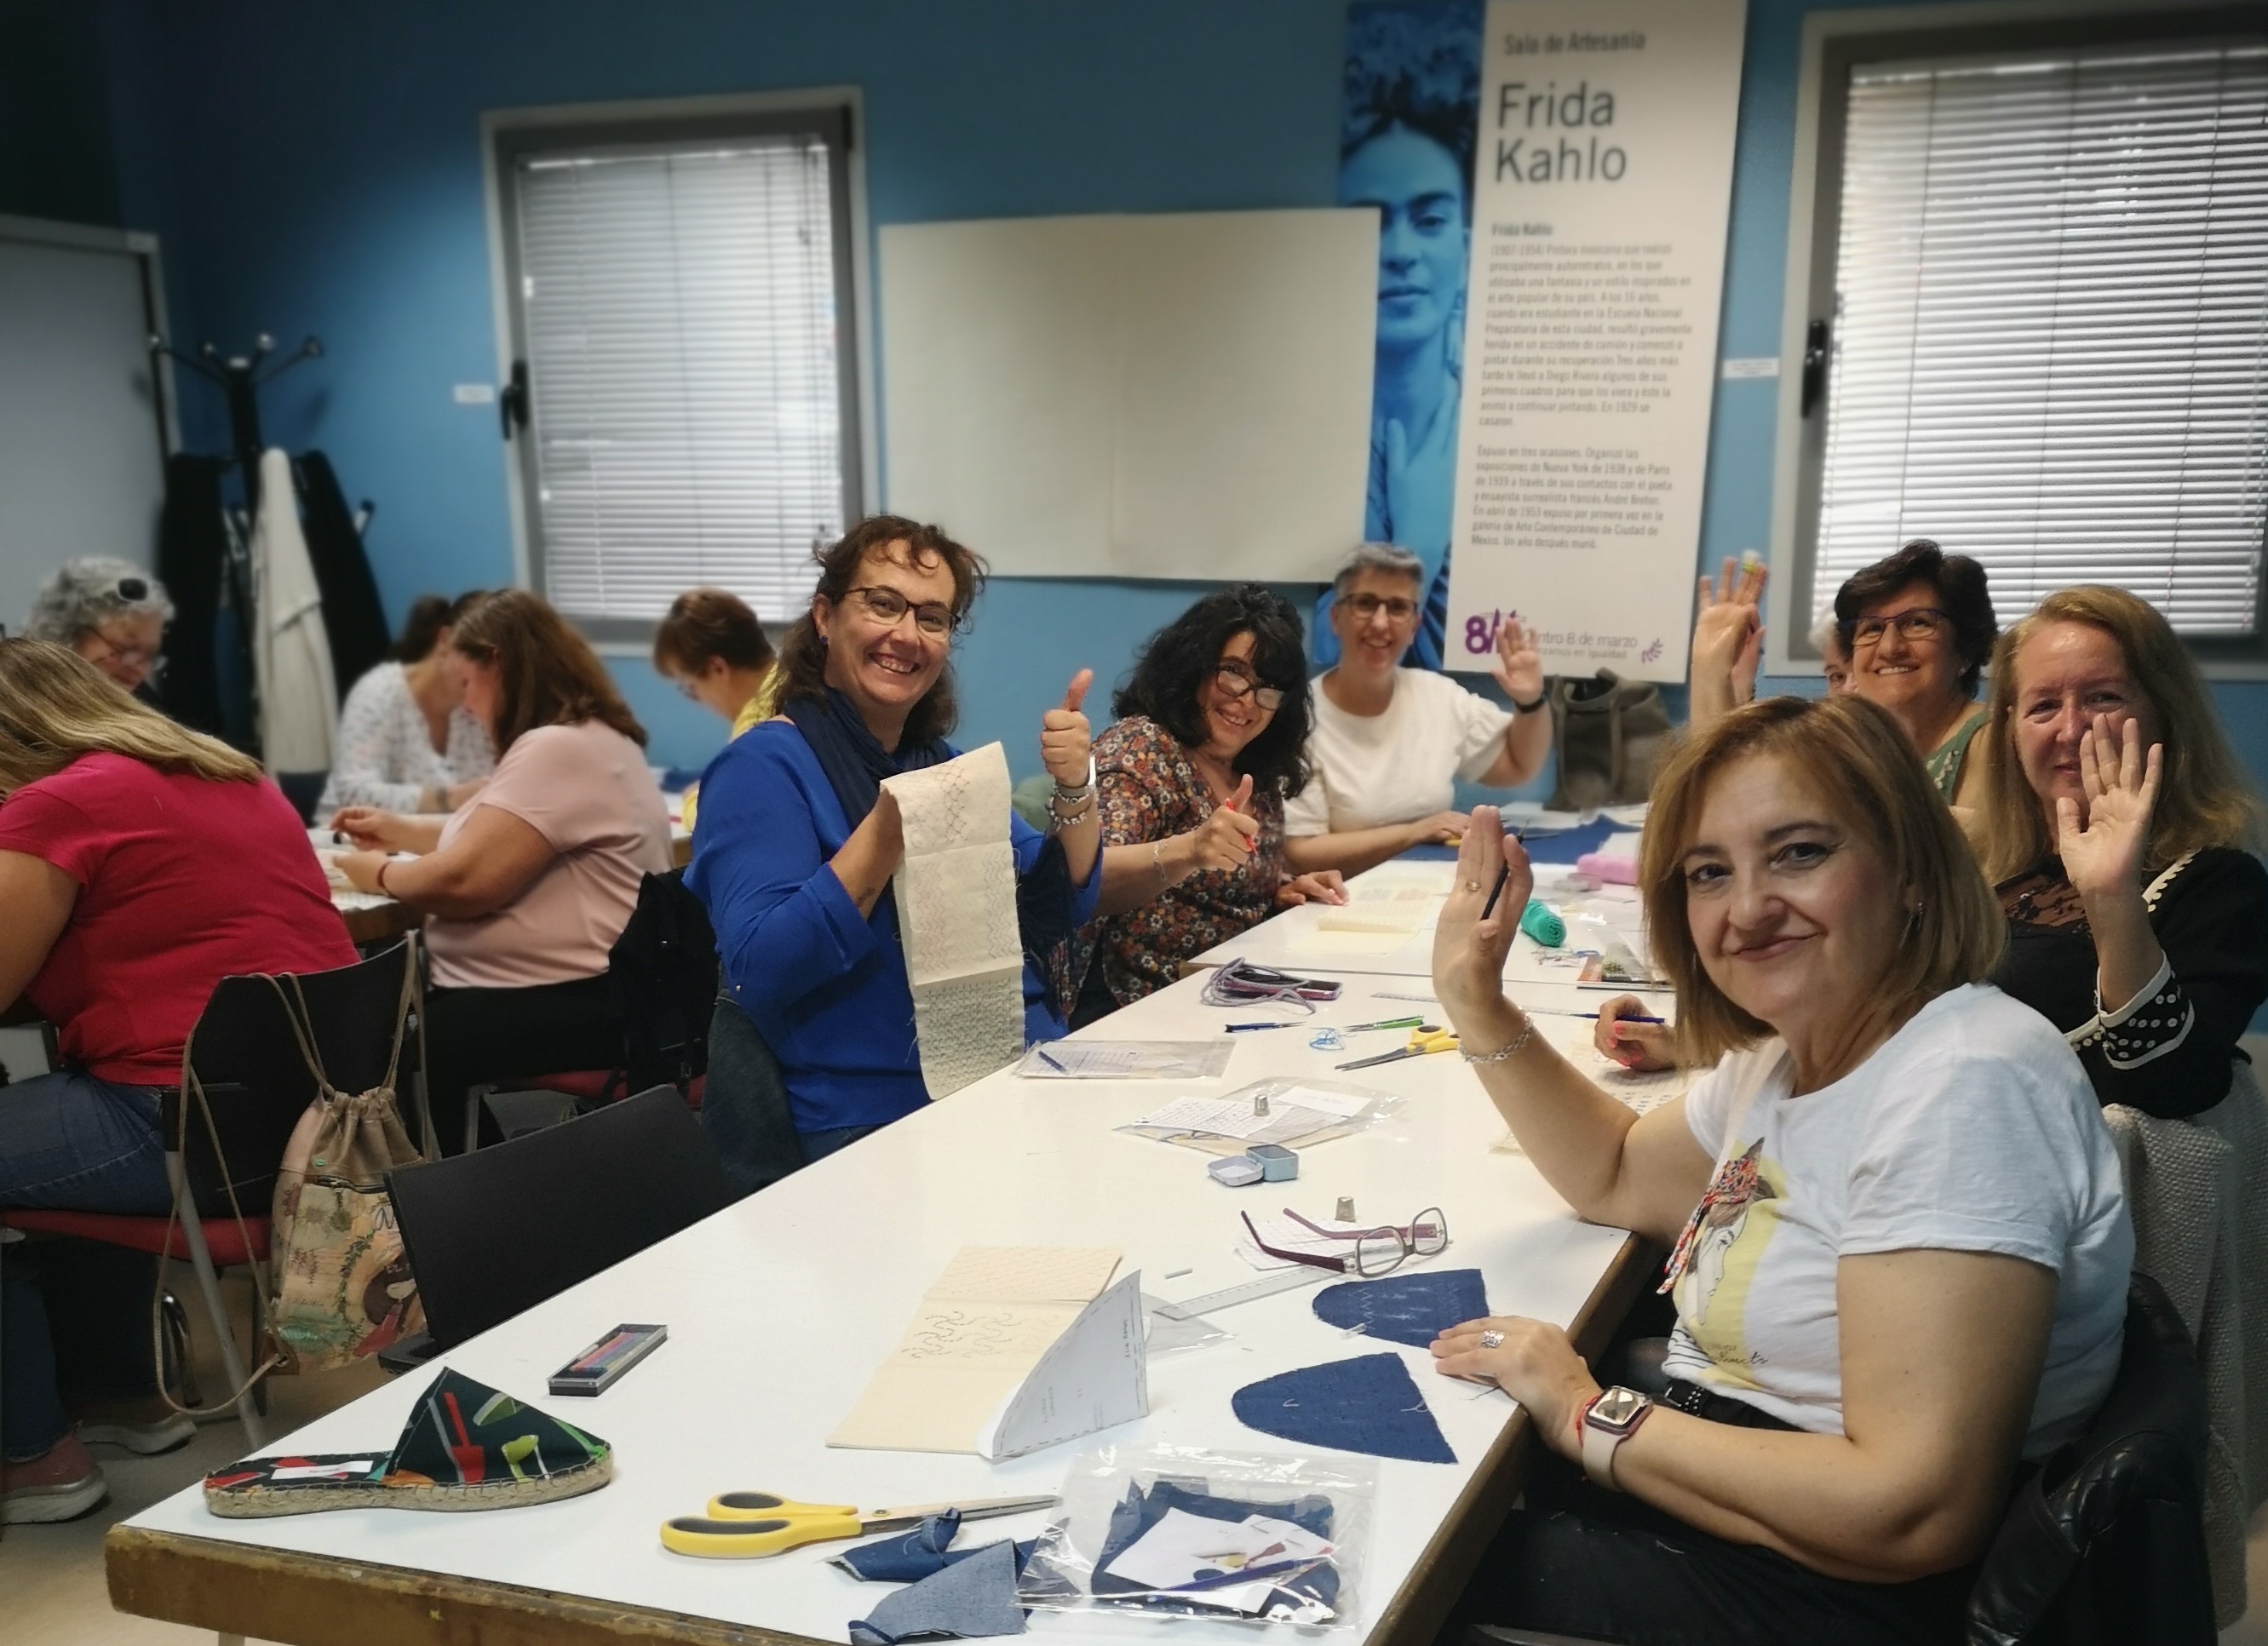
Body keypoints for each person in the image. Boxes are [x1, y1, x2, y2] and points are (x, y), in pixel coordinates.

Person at [1430, 695, 2130, 1645]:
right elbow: (1611, 1170)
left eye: (1799, 852)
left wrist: (1588, 1411)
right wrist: (1476, 1001)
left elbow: (1912, 1509)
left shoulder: (1964, 1083)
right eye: (1708, 872)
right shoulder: (1790, 1054)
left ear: (1909, 868)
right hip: (1741, 1493)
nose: (1749, 908)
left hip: (1834, 1591)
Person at [0, 639, 357, 1522]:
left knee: (57, 1114)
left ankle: (33, 1455)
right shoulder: (233, 777)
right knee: (59, 1106)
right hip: (299, 1125)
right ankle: (125, 1395)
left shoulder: (53, 808)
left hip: (178, 1126)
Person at [687, 516, 1101, 1173]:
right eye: (883, 604)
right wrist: (884, 832)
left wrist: (1078, 784)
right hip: (869, 1118)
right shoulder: (761, 767)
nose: (906, 635)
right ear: (825, 615)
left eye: (932, 618)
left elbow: (1053, 904)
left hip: (1012, 1073)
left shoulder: (940, 763)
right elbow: (762, 969)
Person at [331, 591, 670, 1153]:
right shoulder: (593, 737)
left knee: (399, 1046)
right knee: (409, 1026)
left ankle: (454, 1198)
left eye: (466, 683)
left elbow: (465, 882)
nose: (465, 705)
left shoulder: (554, 747)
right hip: (614, 992)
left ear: (498, 661)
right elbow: (501, 834)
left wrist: (380, 872)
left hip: (585, 1000)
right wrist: (400, 829)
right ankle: (477, 1177)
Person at [1973, 586, 2268, 1119]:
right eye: (2043, 706)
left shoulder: (2221, 885)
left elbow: (2173, 1088)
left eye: (2103, 697)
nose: (2071, 728)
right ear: (2012, 733)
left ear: (2164, 712)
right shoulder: (1987, 874)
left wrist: (2111, 898)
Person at [1066, 586, 1345, 1024]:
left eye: (1268, 689)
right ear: (1193, 666)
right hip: (1131, 1007)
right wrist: (1190, 850)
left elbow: (1217, 896)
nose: (1246, 701)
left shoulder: (1255, 769)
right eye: (1232, 673)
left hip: (1228, 996)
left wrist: (1280, 891)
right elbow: (1084, 881)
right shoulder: (1142, 747)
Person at [1318, 53, 1478, 674]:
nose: (1401, 252)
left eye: (1429, 219)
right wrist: (1413, 548)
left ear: (1462, 247)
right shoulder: (1313, 440)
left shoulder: (1493, 438)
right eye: (1373, 223)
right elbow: (1319, 676)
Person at [1285, 545, 1551, 879]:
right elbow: (1300, 853)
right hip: (1339, 901)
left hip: (1428, 891)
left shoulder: (1437, 696)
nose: (1380, 622)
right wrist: (1416, 831)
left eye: (1397, 608)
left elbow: (1516, 766)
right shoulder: (1298, 720)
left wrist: (1530, 702)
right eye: (1365, 603)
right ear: (1336, 618)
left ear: (1413, 626)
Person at [1834, 538, 1998, 805]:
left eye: (1917, 623)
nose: (1889, 648)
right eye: (1872, 629)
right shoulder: (1858, 748)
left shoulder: (1993, 743)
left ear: (1965, 650)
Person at [317, 591, 495, 815]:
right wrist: (452, 797)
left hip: (434, 841)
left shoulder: (478, 707)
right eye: (476, 672)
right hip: (348, 839)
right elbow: (353, 791)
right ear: (445, 642)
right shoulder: (379, 692)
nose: (484, 684)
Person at [650, 588, 779, 832]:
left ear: (717, 668)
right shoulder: (788, 678)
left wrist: (691, 800)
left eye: (691, 688)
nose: (697, 700)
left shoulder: (759, 721)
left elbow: (722, 817)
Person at [23, 559, 172, 700]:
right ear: (68, 631)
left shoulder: (153, 717)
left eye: (149, 656)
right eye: (123, 647)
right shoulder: (13, 701)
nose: (138, 667)